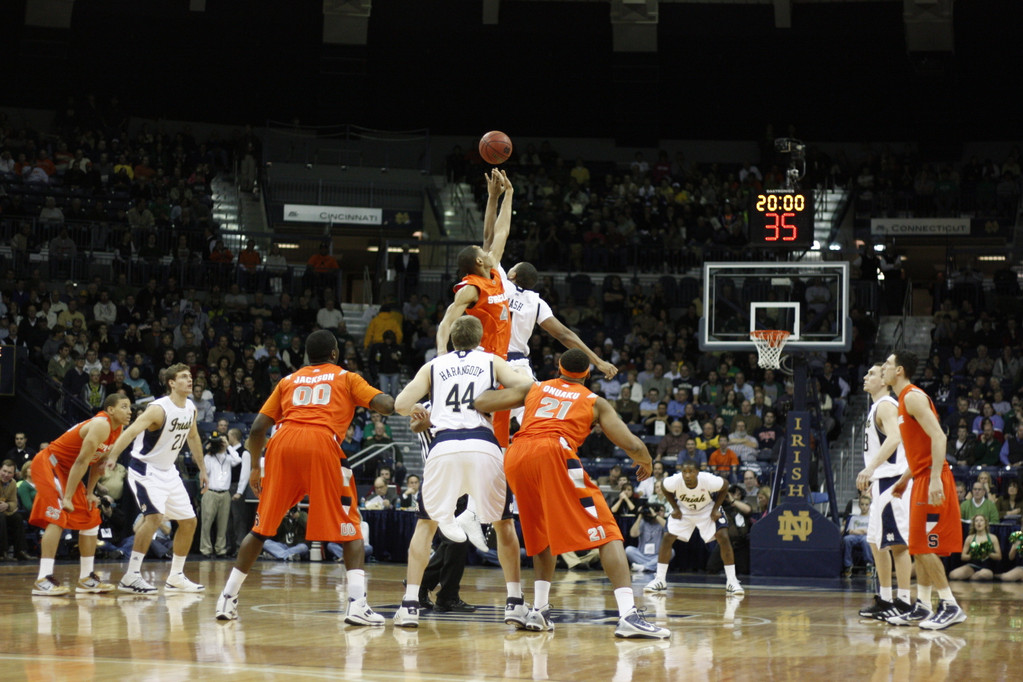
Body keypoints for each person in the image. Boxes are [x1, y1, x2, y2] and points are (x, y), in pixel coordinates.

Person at [473, 347, 669, 639]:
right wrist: (646, 460)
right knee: (607, 529)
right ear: (587, 374)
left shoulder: (534, 387)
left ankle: (539, 610)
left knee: (539, 532)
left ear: (558, 368)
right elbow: (633, 444)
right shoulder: (594, 401)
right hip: (554, 451)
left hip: (517, 454)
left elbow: (482, 401)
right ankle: (628, 614)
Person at [214, 330, 395, 625]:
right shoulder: (346, 377)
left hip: (281, 443)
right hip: (321, 443)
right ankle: (357, 604)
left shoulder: (288, 380)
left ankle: (227, 599)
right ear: (335, 354)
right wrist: (403, 399)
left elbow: (258, 427)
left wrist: (257, 468)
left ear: (307, 356)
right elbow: (385, 405)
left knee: (260, 528)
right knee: (350, 525)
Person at [391, 315, 533, 628]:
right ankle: (514, 603)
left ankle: (410, 604)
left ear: (453, 340)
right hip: (483, 445)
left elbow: (401, 404)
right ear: (480, 338)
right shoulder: (492, 360)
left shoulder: (434, 365)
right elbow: (526, 388)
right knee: (503, 526)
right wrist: (494, 399)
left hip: (444, 447)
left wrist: (423, 411)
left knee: (425, 527)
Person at [105, 364, 208, 595]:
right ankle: (131, 576)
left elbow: (193, 437)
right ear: (172, 383)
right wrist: (112, 455)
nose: (190, 380)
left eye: (190, 376)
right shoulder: (158, 409)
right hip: (145, 468)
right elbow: (130, 432)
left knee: (189, 522)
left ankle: (176, 576)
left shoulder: (190, 408)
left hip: (168, 470)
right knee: (154, 517)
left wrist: (202, 468)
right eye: (184, 377)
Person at [884, 351, 967, 630]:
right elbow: (921, 450)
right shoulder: (901, 401)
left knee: (925, 546)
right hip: (920, 477)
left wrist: (933, 480)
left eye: (887, 365)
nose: (883, 368)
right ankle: (923, 605)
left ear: (900, 371)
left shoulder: (912, 397)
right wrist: (907, 477)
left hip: (934, 478)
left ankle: (950, 604)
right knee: (918, 547)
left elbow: (940, 436)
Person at [435, 169, 515, 446]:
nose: (487, 249)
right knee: (486, 426)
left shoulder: (492, 273)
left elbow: (499, 231)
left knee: (501, 433)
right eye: (482, 252)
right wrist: (441, 352)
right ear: (479, 263)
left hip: (502, 361)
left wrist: (508, 195)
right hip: (482, 363)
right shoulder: (471, 288)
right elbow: (447, 320)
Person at [27, 395, 133, 595]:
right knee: (58, 516)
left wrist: (90, 493)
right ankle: (43, 579)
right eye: (124, 407)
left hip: (69, 472)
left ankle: (86, 578)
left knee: (91, 516)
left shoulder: (117, 429)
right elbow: (81, 462)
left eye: (130, 407)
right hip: (50, 464)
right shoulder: (101, 425)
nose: (129, 411)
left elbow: (97, 464)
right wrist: (67, 497)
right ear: (110, 410)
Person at [501, 260, 617, 426]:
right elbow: (564, 334)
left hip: (490, 359)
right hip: (517, 364)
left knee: (481, 415)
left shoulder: (499, 286)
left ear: (512, 275)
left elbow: (492, 249)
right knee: (533, 416)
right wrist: (598, 362)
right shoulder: (536, 302)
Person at [854, 362, 914, 622]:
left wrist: (870, 469)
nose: (866, 376)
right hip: (881, 482)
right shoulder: (876, 406)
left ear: (884, 381)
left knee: (897, 544)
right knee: (875, 542)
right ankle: (886, 598)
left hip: (892, 481)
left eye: (872, 373)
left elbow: (895, 438)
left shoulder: (887, 405)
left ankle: (903, 601)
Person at [645, 459, 745, 595]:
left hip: (706, 508)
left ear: (697, 472)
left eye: (691, 472)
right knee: (668, 536)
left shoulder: (708, 480)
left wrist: (716, 509)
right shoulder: (674, 481)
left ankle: (732, 581)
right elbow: (663, 486)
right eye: (684, 472)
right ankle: (660, 579)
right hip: (684, 509)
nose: (687, 475)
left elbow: (725, 485)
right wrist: (675, 507)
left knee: (723, 536)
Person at [200, 434, 240, 558]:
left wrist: (228, 447)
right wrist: (210, 449)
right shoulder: (209, 457)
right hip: (211, 492)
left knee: (223, 524)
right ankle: (206, 549)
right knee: (207, 522)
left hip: (225, 494)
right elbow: (205, 471)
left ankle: (220, 549)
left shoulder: (228, 458)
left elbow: (238, 460)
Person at [948, 514, 1002, 581]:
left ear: (985, 523)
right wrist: (973, 554)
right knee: (953, 575)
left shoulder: (993, 538)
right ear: (974, 524)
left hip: (987, 568)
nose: (979, 523)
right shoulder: (970, 538)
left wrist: (987, 553)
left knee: (983, 574)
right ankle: (971, 577)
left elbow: (999, 556)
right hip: (972, 566)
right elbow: (963, 557)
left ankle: (972, 578)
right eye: (976, 521)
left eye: (981, 520)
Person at [625, 502, 670, 573]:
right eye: (658, 510)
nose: (660, 513)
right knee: (628, 550)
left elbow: (669, 529)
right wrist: (640, 515)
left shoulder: (662, 523)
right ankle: (651, 566)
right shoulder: (643, 522)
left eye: (662, 511)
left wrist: (655, 516)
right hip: (642, 555)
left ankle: (643, 567)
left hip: (657, 556)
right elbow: (633, 534)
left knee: (671, 552)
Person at [842, 494, 874, 577]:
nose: (864, 507)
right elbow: (850, 531)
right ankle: (848, 565)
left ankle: (869, 564)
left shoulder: (872, 518)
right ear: (859, 505)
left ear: (870, 505)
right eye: (862, 504)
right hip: (855, 537)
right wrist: (863, 530)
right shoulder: (853, 518)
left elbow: (870, 532)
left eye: (866, 505)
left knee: (865, 540)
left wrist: (857, 531)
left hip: (865, 537)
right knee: (846, 539)